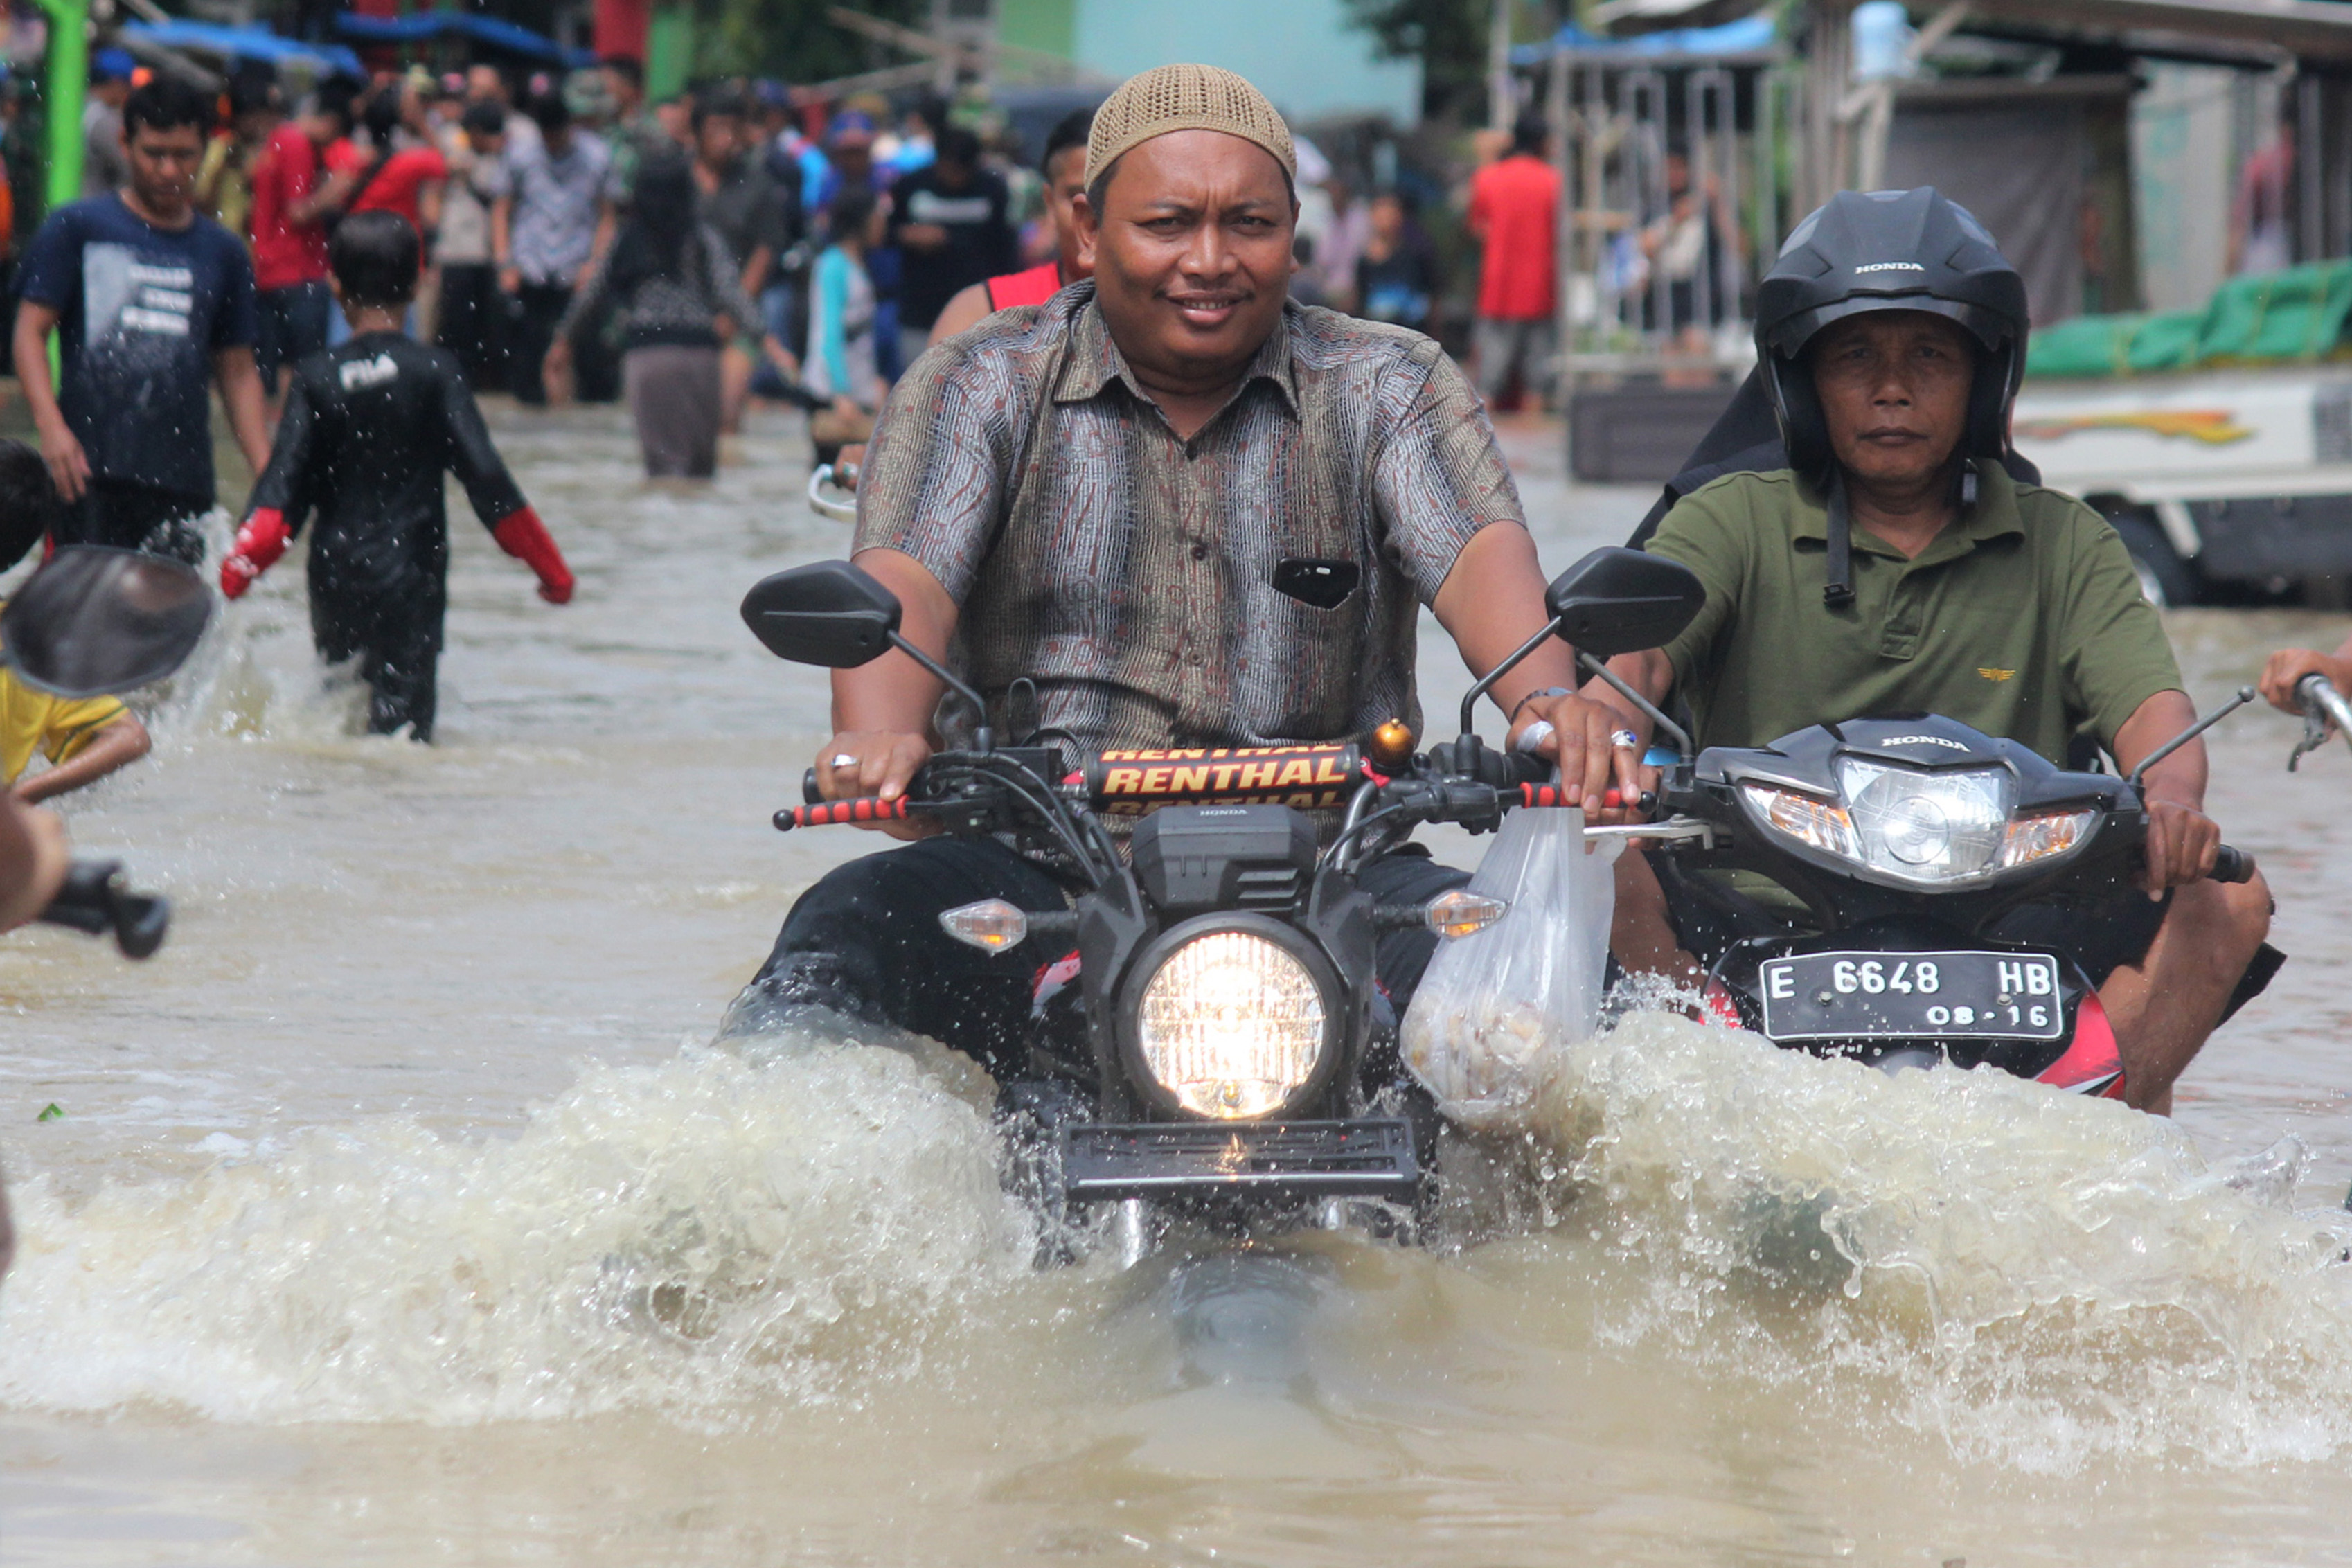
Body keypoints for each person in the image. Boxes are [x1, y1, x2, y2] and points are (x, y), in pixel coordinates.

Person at [724, 64, 1622, 1064]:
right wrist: (879, 740)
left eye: (1249, 224)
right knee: (835, 943)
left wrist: (1554, 712)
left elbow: (1479, 560)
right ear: (1084, 231)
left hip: (1341, 874)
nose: (1210, 260)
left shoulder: (1390, 383)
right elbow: (907, 586)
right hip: (1038, 878)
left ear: (1295, 234)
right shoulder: (974, 379)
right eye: (1167, 225)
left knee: (1576, 1008)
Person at [1581, 187, 2274, 1116]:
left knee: (2229, 899)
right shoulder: (1729, 518)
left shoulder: (2066, 542)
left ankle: (2080, 1140)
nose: (1893, 389)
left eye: (1931, 356)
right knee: (1590, 853)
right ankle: (1710, 1108)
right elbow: (1638, 663)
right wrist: (1600, 735)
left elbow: (2156, 713)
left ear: (1987, 378)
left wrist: (2176, 802)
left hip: (2014, 916)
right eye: (1856, 355)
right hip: (1761, 903)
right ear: (1802, 380)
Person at [217, 212, 573, 741]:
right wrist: (551, 571)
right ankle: (397, 818)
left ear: (335, 284)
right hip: (412, 578)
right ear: (419, 278)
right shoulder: (435, 372)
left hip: (337, 575)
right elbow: (486, 478)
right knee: (403, 730)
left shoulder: (316, 378)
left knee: (341, 710)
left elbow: (281, 493)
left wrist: (237, 571)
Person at [13, 75, 271, 564]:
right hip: (85, 473)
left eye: (184, 154)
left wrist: (266, 475)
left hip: (183, 481)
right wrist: (51, 428)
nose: (169, 169)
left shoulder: (224, 252)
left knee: (171, 632)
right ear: (125, 144)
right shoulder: (77, 227)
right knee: (78, 623)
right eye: (154, 153)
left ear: (206, 149)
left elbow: (237, 371)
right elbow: (29, 331)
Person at [546, 152, 757, 479]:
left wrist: (563, 339)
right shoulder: (702, 238)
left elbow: (592, 294)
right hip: (699, 354)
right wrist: (763, 336)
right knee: (700, 472)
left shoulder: (628, 241)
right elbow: (731, 293)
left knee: (663, 470)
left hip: (648, 356)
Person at [924, 107, 1092, 346]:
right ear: (1049, 202)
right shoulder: (982, 312)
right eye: (1077, 198)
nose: (1094, 216)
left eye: (1111, 195)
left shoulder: (1160, 311)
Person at [688, 89, 794, 431]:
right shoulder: (676, 181)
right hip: (681, 314)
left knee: (726, 419)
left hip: (739, 317)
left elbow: (763, 255)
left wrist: (735, 313)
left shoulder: (757, 185)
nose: (725, 138)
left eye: (733, 128)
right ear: (698, 130)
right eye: (716, 127)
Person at [495, 91, 609, 405]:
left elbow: (608, 215)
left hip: (578, 267)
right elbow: (502, 208)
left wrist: (596, 263)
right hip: (530, 265)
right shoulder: (519, 153)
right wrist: (505, 262)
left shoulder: (596, 154)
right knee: (527, 359)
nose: (552, 142)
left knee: (588, 360)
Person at [249, 82, 359, 404]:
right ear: (331, 122)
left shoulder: (279, 138)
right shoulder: (298, 144)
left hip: (270, 268)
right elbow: (298, 212)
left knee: (273, 366)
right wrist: (338, 187)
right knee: (302, 368)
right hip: (297, 271)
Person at [886, 125, 1015, 370]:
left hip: (977, 313)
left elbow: (1005, 248)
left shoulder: (992, 189)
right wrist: (910, 235)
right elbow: (887, 234)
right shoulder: (912, 186)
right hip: (921, 312)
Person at [1466, 116, 1560, 411]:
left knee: (1491, 372)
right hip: (1539, 283)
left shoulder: (1488, 177)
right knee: (1537, 371)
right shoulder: (1552, 179)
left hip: (1499, 283)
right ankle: (1536, 420)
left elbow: (1478, 228)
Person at [802, 184, 884, 463]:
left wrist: (874, 384)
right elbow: (830, 335)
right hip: (833, 393)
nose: (882, 224)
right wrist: (842, 393)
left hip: (856, 391)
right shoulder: (833, 266)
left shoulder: (858, 265)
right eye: (877, 217)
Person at [435, 98, 509, 387]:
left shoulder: (500, 162)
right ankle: (456, 380)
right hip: (455, 253)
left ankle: (484, 382)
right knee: (456, 325)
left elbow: (494, 196)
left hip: (487, 255)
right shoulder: (455, 148)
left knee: (487, 326)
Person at [195, 70, 278, 238]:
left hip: (256, 247)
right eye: (253, 118)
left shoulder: (272, 152)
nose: (259, 125)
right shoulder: (218, 149)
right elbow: (201, 201)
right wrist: (225, 165)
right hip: (219, 239)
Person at [1354, 188, 1437, 332]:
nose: (1387, 218)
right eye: (1381, 212)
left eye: (1392, 212)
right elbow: (1360, 301)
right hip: (1377, 335)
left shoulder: (1417, 254)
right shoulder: (1364, 260)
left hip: (1412, 333)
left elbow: (1433, 294)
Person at [80, 51, 134, 199]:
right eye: (127, 86)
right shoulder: (103, 118)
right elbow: (129, 169)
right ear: (117, 83)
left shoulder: (77, 105)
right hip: (91, 207)